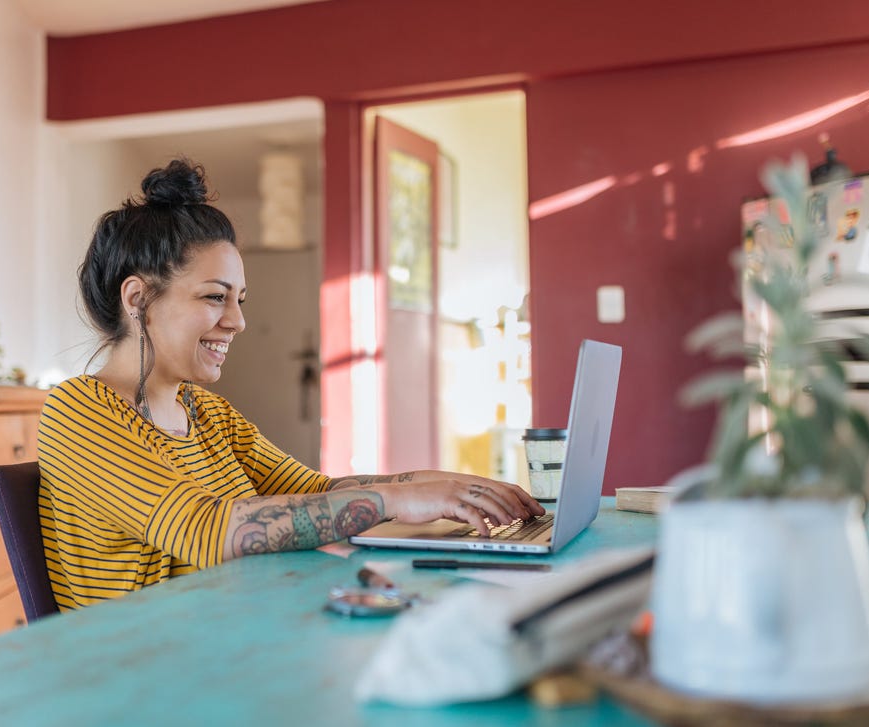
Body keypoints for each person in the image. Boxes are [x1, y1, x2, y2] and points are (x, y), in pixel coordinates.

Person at [38, 158, 543, 612]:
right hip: (142, 678)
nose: (237, 321)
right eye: (216, 297)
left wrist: (448, 488)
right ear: (138, 297)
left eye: (240, 300)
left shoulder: (209, 415)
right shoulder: (78, 410)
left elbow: (318, 492)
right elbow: (203, 531)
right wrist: (396, 502)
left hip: (227, 640)